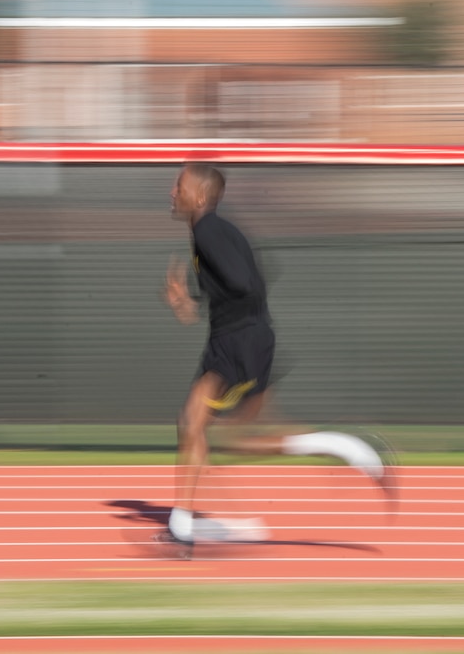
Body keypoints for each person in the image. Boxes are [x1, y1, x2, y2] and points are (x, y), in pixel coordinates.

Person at [163, 161, 392, 544]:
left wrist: (230, 306)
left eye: (179, 186)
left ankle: (182, 526)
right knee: (236, 439)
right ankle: (349, 447)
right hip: (249, 337)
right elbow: (249, 278)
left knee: (192, 423)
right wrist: (189, 301)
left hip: (236, 342)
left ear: (199, 195)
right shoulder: (215, 231)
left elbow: (243, 281)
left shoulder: (207, 229)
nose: (172, 193)